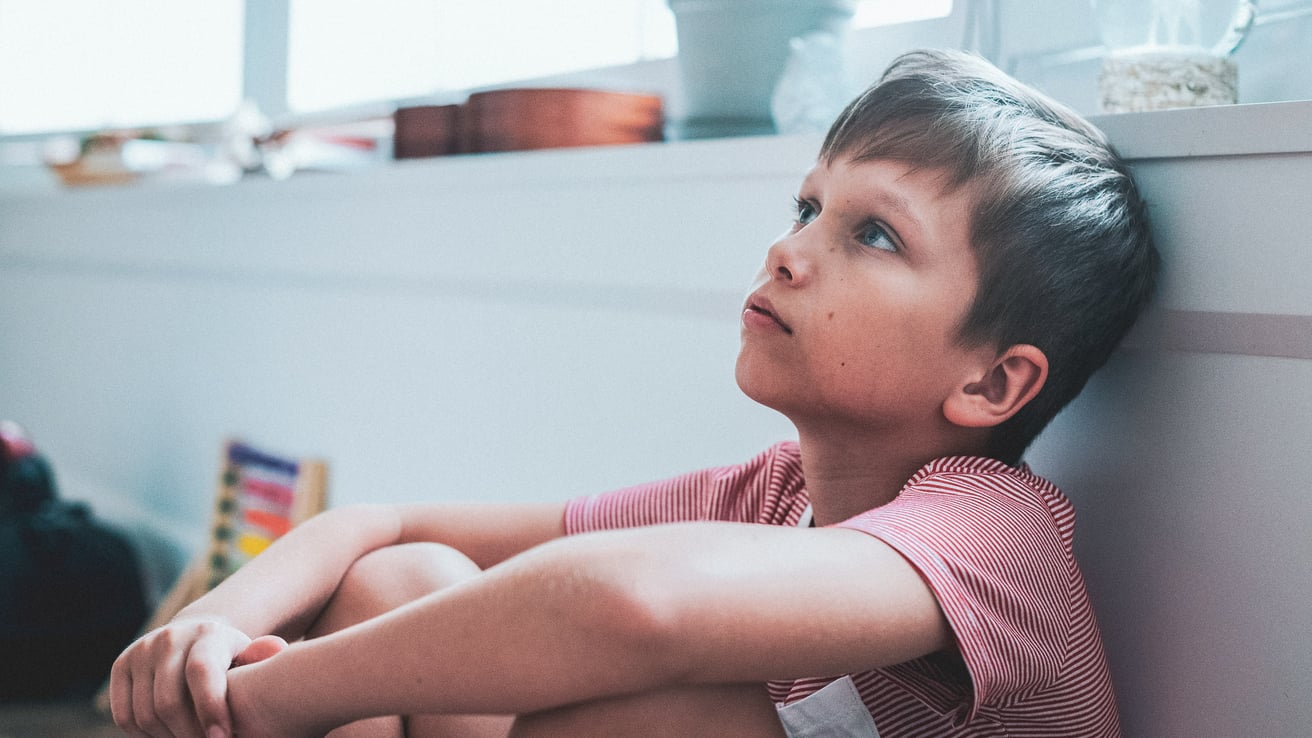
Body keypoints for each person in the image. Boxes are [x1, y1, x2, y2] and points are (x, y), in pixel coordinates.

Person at [109, 48, 1158, 738]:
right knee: (404, 577)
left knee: (670, 703)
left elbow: (632, 604)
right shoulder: (775, 492)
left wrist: (264, 700)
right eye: (805, 205)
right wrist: (210, 625)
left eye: (871, 234)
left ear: (990, 380)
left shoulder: (994, 527)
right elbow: (381, 523)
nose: (788, 250)